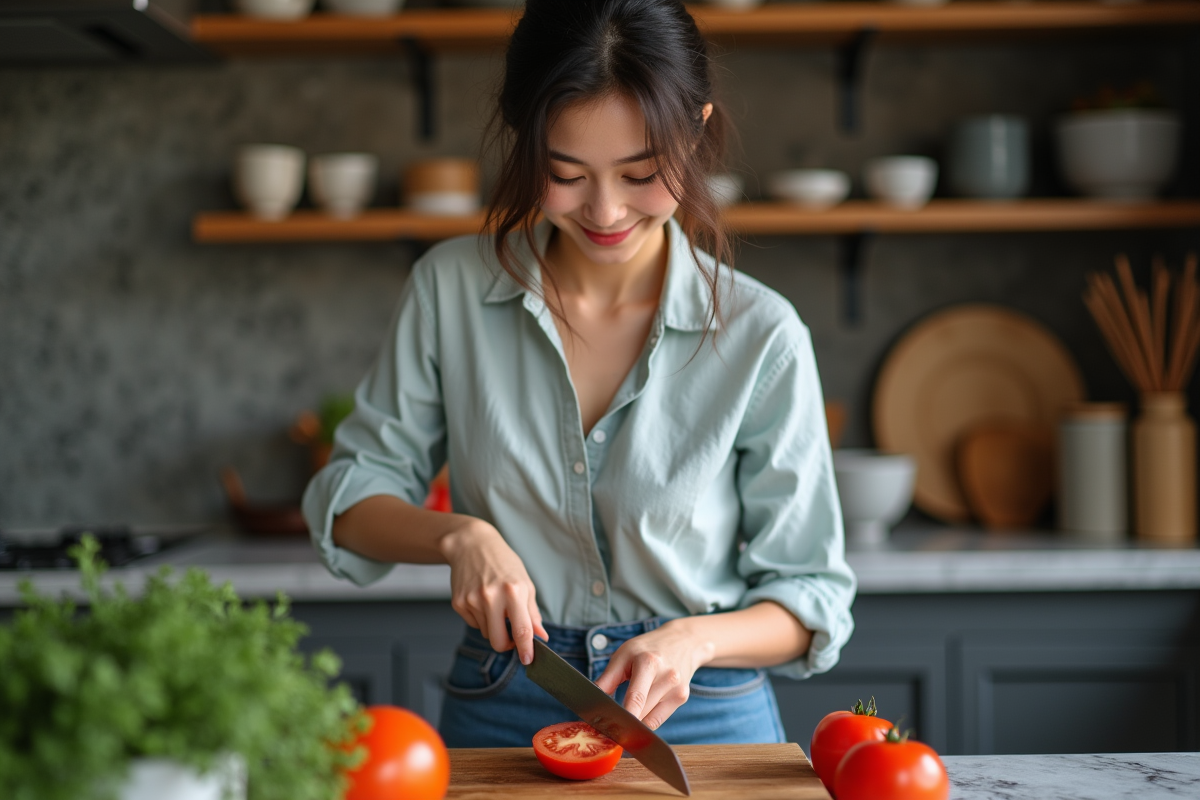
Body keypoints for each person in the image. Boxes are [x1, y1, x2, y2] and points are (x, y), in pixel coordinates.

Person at [302, 0, 855, 748]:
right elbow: (348, 500)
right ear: (526, 145)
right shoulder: (450, 291)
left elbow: (810, 596)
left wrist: (695, 640)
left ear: (695, 132)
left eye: (641, 173)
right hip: (506, 694)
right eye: (565, 174)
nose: (605, 210)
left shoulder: (761, 333)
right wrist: (459, 537)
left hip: (706, 710)